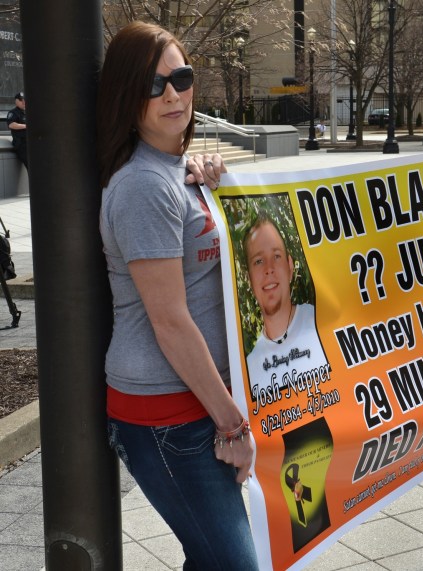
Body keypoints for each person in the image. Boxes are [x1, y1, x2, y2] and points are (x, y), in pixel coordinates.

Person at [97, 21, 258, 570]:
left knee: (216, 556)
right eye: (152, 84)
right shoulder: (143, 185)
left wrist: (217, 182)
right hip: (166, 410)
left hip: (197, 400)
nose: (172, 94)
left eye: (181, 78)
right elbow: (169, 320)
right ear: (125, 93)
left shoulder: (174, 172)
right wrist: (232, 423)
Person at [242, 212, 329, 400]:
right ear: (249, 280)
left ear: (290, 266)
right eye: (258, 261)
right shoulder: (249, 369)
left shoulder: (323, 322)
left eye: (276, 256)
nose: (269, 268)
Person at [7, 92, 27, 169]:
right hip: (22, 145)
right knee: (32, 166)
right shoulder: (13, 113)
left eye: (25, 100)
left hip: (31, 144)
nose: (24, 102)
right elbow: (11, 125)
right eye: (21, 100)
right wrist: (26, 126)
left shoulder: (28, 112)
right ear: (16, 101)